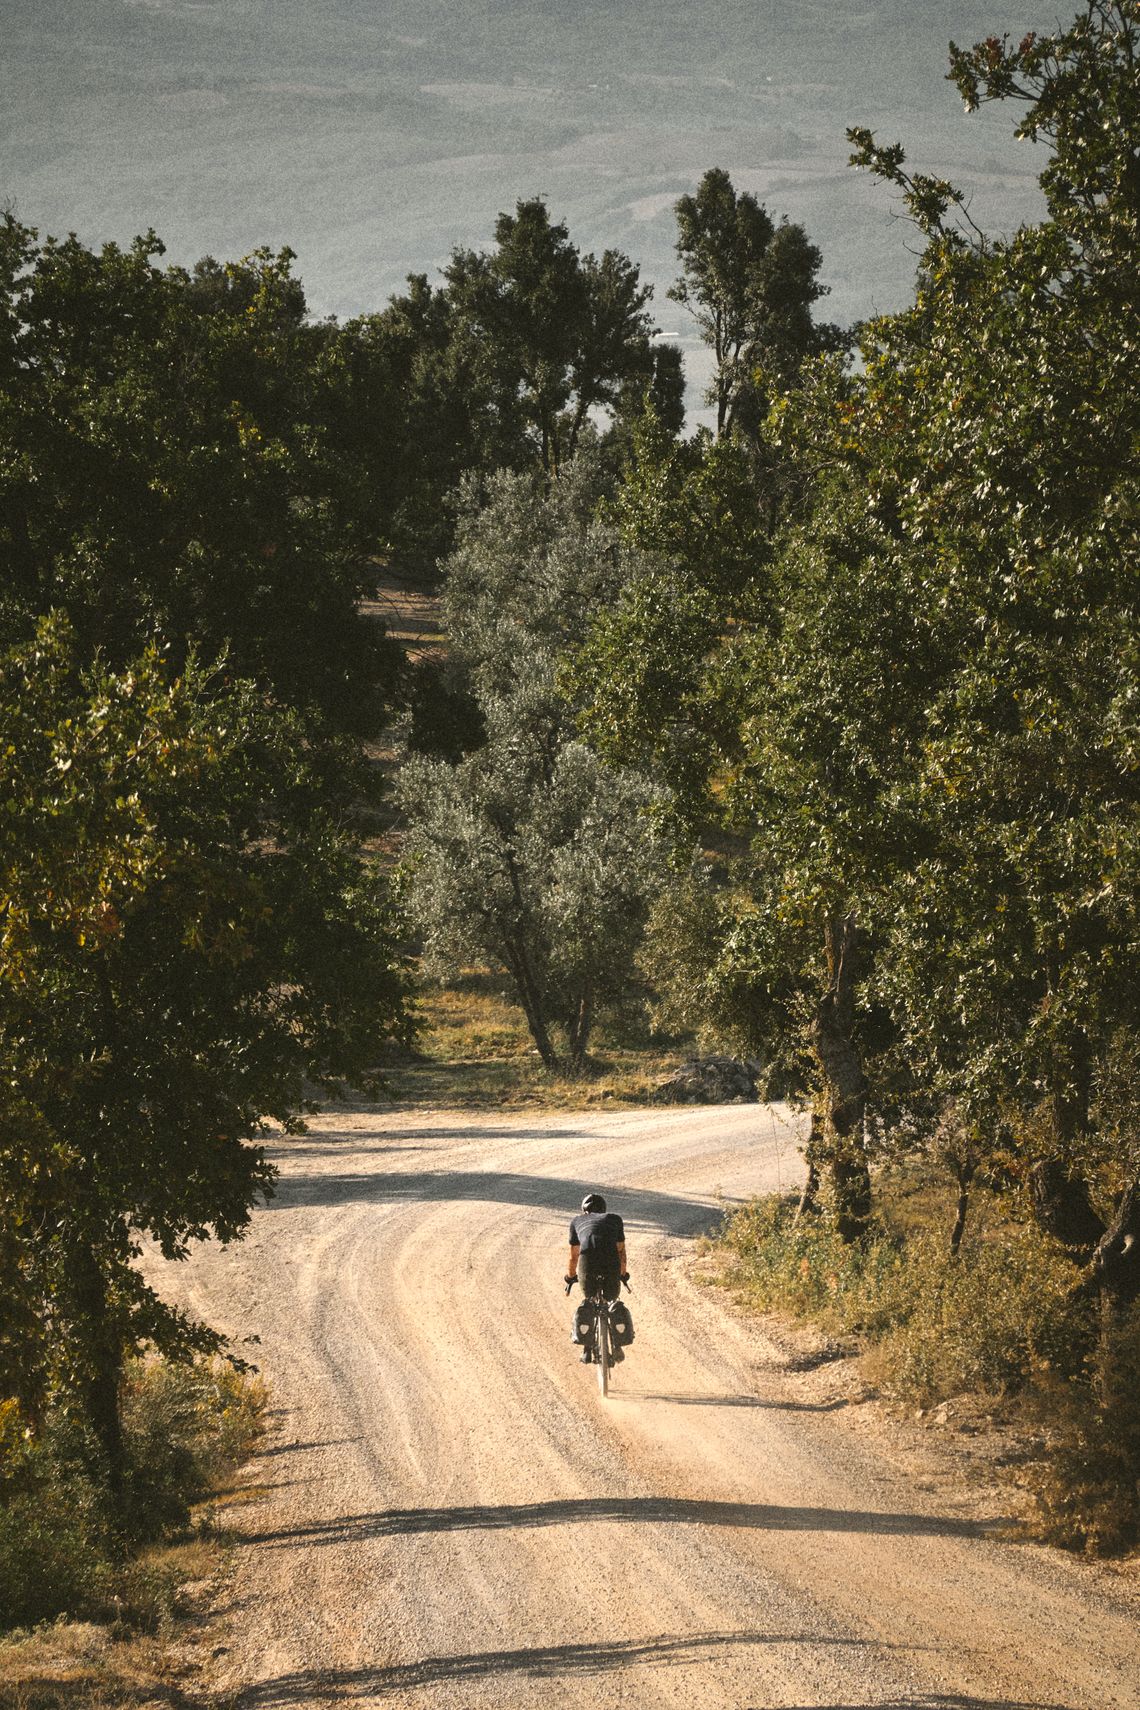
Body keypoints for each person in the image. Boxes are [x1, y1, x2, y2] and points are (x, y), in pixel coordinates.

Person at [565, 1192, 631, 1363]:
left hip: (588, 1261)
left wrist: (570, 1277)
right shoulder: (615, 1219)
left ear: (584, 1210)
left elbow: (574, 1256)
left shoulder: (577, 1221)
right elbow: (620, 1251)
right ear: (604, 1209)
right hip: (610, 1261)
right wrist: (623, 1274)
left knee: (590, 1300)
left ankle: (587, 1349)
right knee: (611, 1299)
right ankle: (617, 1348)